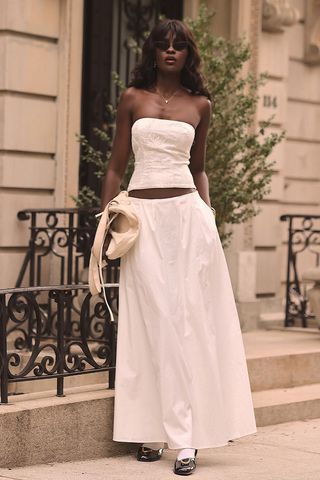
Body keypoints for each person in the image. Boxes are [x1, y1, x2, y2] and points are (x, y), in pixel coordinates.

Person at [100, 18, 257, 477]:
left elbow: (200, 167)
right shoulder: (133, 99)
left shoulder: (200, 104)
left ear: (189, 54)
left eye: (180, 46)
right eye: (163, 45)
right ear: (152, 51)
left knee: (185, 322)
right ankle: (150, 429)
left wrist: (208, 215)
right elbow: (115, 166)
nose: (171, 52)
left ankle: (185, 439)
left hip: (188, 220)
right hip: (142, 221)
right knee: (151, 321)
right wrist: (108, 215)